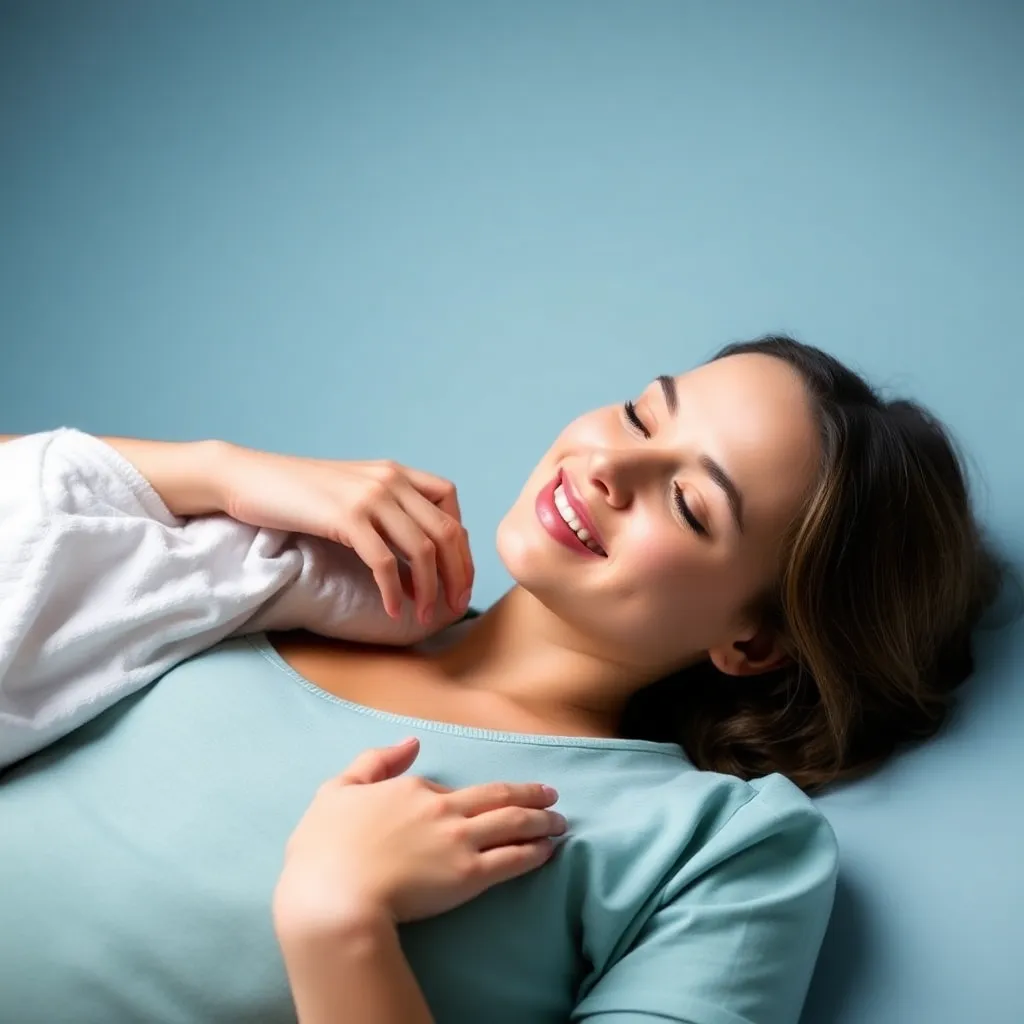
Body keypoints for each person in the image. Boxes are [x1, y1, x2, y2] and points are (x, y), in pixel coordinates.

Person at [0, 336, 1001, 1024]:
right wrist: (214, 473)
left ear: (754, 644)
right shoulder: (297, 577)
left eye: (690, 504)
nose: (609, 466)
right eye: (640, 415)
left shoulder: (715, 847)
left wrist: (340, 926)